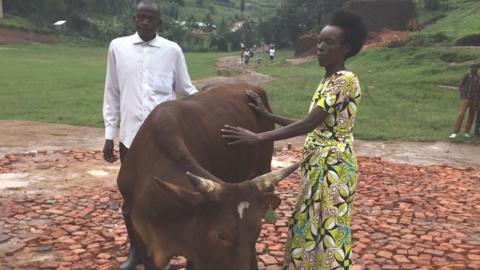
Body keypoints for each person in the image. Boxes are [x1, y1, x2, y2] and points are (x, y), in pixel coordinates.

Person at [221, 9, 367, 269]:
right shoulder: (328, 80)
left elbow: (309, 124)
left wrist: (258, 137)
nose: (320, 47)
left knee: (329, 226)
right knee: (310, 220)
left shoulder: (345, 80)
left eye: (329, 43)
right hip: (318, 163)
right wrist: (267, 115)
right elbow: (314, 126)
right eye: (320, 41)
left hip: (333, 166)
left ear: (346, 48)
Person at [102, 1, 197, 269]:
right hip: (130, 138)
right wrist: (110, 134)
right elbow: (112, 92)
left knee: (168, 196)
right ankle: (137, 251)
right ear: (134, 19)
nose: (145, 22)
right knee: (132, 198)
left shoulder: (172, 50)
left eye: (150, 19)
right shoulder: (118, 47)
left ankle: (165, 250)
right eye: (141, 18)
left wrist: (214, 103)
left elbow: (186, 90)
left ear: (159, 23)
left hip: (165, 141)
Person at [449, 63, 480, 138]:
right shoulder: (466, 75)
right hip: (466, 98)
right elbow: (461, 85)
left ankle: (466, 132)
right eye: (473, 67)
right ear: (470, 67)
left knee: (471, 116)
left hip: (474, 99)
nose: (474, 69)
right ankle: (455, 132)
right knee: (461, 114)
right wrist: (463, 96)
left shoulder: (478, 77)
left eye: (476, 68)